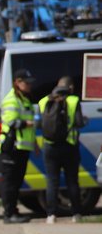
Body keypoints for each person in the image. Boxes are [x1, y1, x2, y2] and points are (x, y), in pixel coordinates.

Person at [38, 76, 87, 224]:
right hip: (69, 146)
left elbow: (40, 124)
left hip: (49, 146)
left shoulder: (43, 101)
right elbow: (79, 122)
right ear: (70, 88)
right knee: (72, 180)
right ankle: (76, 214)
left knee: (52, 181)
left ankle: (51, 215)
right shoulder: (73, 100)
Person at [0, 68, 37, 224]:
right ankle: (9, 214)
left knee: (17, 182)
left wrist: (34, 143)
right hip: (12, 147)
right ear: (17, 82)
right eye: (26, 83)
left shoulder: (24, 100)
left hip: (22, 147)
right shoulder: (11, 100)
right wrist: (27, 123)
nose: (29, 86)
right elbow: (11, 121)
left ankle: (13, 211)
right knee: (10, 183)